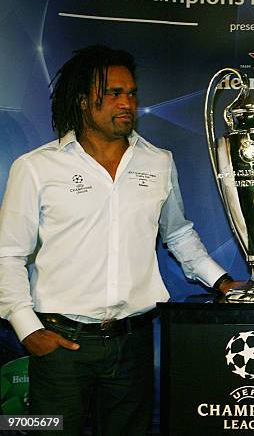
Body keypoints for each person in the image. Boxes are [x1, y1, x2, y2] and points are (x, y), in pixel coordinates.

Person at [0, 45, 236, 435]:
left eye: (131, 93)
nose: (126, 102)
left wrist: (222, 282)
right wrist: (28, 329)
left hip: (132, 345)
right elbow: (7, 255)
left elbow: (176, 232)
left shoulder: (158, 161)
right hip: (60, 343)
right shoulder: (37, 167)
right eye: (112, 93)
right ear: (82, 100)